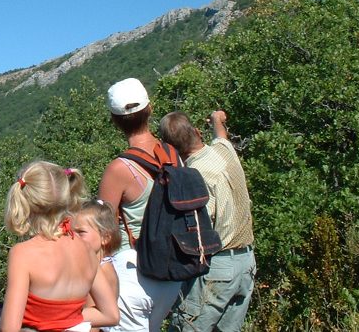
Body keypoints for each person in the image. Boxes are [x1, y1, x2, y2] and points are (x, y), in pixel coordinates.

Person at [97, 78, 182, 332]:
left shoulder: (119, 169)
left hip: (133, 272)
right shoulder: (174, 155)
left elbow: (102, 231)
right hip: (171, 273)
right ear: (151, 109)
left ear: (115, 120)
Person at [159, 110, 256, 332]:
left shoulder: (194, 176)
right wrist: (217, 119)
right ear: (197, 132)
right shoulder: (224, 151)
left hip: (218, 267)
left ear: (171, 149)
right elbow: (221, 135)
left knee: (187, 327)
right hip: (246, 262)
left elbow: (201, 225)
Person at [0, 161, 119, 332]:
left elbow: (9, 328)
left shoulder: (22, 254)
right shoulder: (85, 248)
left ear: (25, 202)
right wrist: (67, 318)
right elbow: (111, 315)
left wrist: (1, 318)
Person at [73, 200, 122, 332]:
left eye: (81, 232)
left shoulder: (102, 273)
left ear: (105, 237)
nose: (73, 237)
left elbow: (92, 326)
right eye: (71, 232)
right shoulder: (91, 267)